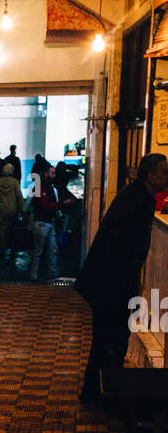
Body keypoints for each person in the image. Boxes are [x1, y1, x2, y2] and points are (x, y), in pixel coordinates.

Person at [75, 152, 168, 400]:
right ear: (151, 175)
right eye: (164, 172)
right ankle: (105, 391)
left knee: (109, 336)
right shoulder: (139, 199)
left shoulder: (138, 194)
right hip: (110, 281)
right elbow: (123, 246)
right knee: (111, 337)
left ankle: (99, 389)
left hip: (109, 280)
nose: (167, 177)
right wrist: (127, 285)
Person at [29, 161, 60, 282]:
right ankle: (49, 274)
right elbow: (46, 205)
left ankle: (35, 275)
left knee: (40, 251)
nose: (54, 175)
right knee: (48, 250)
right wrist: (61, 206)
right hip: (43, 222)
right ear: (46, 173)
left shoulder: (40, 187)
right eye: (52, 173)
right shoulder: (46, 188)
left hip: (42, 222)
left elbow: (29, 204)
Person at [0, 162, 25, 268]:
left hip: (1, 210)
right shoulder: (15, 182)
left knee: (1, 229)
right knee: (12, 230)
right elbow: (19, 197)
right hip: (12, 211)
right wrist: (21, 210)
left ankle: (2, 250)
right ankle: (12, 251)